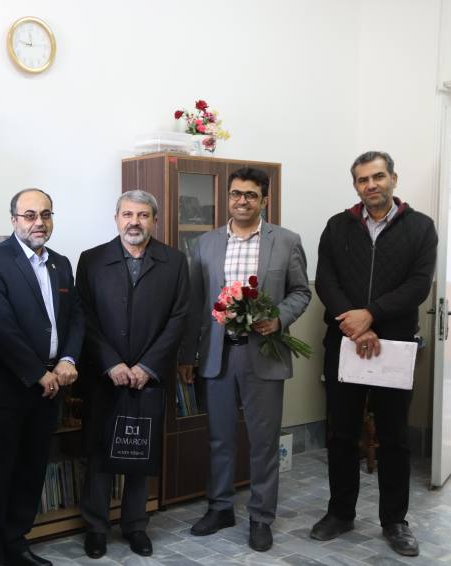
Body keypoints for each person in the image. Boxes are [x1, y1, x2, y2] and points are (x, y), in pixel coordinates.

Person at [311, 151, 437, 557]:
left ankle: (395, 521)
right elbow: (325, 281)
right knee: (341, 433)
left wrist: (371, 315)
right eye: (363, 179)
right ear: (355, 186)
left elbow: (418, 285)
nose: (371, 185)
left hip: (394, 345)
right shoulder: (337, 226)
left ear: (393, 179)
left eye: (378, 176)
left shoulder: (420, 227)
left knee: (394, 437)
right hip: (344, 341)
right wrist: (355, 324)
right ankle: (340, 512)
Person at [178, 167, 310, 552]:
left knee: (263, 442)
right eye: (236, 193)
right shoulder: (204, 244)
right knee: (219, 438)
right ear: (228, 198)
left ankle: (260, 517)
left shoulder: (286, 241)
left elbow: (301, 292)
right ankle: (220, 507)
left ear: (264, 200)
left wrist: (278, 318)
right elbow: (194, 305)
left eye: (251, 195)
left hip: (263, 354)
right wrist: (187, 355)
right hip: (217, 356)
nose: (242, 201)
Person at [0, 188, 84, 566]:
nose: (39, 222)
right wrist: (37, 373)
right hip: (4, 389)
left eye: (46, 214)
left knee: (32, 470)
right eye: (30, 215)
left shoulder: (61, 263)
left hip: (50, 387)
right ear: (14, 220)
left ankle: (16, 543)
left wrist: (67, 359)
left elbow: (75, 317)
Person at [75, 190, 188, 559]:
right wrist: (111, 363)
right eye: (127, 214)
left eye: (142, 215)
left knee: (141, 452)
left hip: (148, 377)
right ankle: (96, 528)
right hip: (103, 376)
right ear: (116, 218)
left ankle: (136, 526)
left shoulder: (174, 261)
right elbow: (83, 316)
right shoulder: (91, 260)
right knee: (98, 453)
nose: (134, 222)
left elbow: (179, 318)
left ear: (154, 220)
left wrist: (147, 366)